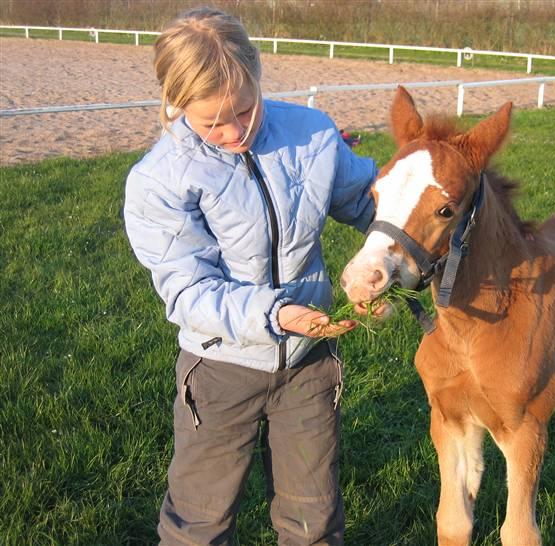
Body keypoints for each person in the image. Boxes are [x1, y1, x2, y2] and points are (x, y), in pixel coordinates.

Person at [123, 7, 380, 545]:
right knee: (200, 524)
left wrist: (399, 247)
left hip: (308, 366)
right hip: (220, 369)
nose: (235, 131)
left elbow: (364, 201)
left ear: (258, 77)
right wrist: (275, 314)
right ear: (174, 102)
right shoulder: (157, 181)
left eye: (246, 109)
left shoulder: (311, 133)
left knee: (314, 522)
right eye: (212, 121)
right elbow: (188, 290)